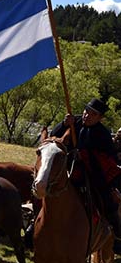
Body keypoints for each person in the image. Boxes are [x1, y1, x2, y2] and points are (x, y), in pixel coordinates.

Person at [50, 98, 121, 254]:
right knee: (44, 185)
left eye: (92, 114)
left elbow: (108, 160)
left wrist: (85, 156)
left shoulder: (103, 135)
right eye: (86, 110)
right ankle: (34, 223)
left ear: (100, 117)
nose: (87, 115)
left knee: (107, 200)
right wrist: (64, 124)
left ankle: (116, 235)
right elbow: (53, 135)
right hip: (66, 167)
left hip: (91, 175)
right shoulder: (74, 121)